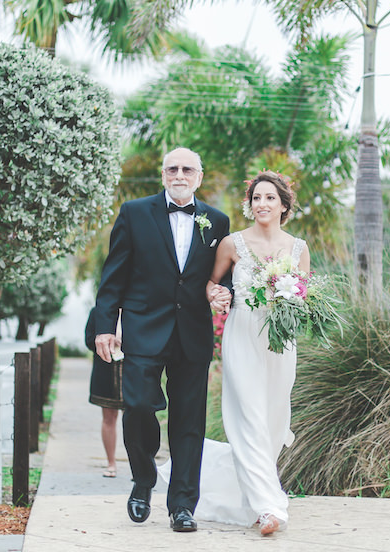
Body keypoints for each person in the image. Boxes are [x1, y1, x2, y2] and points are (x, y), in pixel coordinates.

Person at [93, 147, 232, 532]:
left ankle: (182, 506)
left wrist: (225, 294)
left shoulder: (217, 221)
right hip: (143, 328)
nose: (180, 174)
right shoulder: (135, 213)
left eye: (188, 169)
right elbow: (113, 277)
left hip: (193, 334)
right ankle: (143, 478)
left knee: (189, 422)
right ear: (163, 174)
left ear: (199, 177)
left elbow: (222, 278)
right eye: (172, 168)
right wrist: (105, 326)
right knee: (137, 406)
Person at [190, 170, 310, 536]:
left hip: (280, 342)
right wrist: (217, 294)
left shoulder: (298, 248)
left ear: (284, 205)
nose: (262, 204)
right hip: (242, 335)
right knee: (249, 416)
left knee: (274, 418)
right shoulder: (232, 244)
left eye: (270, 198)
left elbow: (305, 296)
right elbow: (211, 283)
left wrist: (293, 301)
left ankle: (252, 491)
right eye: (256, 198)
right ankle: (269, 508)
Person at [85, 307, 122, 478]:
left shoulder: (139, 309)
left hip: (133, 371)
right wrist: (108, 343)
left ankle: (140, 466)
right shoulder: (98, 312)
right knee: (109, 417)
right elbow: (88, 339)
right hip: (106, 370)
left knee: (137, 418)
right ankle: (111, 463)